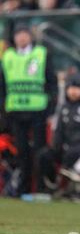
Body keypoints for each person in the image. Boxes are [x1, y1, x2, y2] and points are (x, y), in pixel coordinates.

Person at [0, 24, 58, 195]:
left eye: (25, 34)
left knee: (39, 150)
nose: (22, 38)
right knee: (21, 151)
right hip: (16, 112)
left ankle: (39, 188)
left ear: (30, 36)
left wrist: (51, 107)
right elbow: (2, 86)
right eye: (19, 34)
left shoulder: (41, 54)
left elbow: (51, 82)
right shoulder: (7, 57)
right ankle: (23, 188)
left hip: (38, 110)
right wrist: (4, 109)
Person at [36, 73, 80, 195]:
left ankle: (79, 184)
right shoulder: (63, 107)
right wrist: (56, 145)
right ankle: (50, 185)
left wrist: (76, 143)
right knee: (43, 155)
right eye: (71, 88)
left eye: (77, 88)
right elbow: (58, 129)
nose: (74, 92)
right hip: (63, 147)